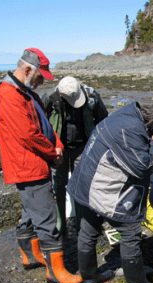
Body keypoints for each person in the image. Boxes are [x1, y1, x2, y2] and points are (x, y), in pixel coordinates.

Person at [0, 48, 82, 283]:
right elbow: (28, 135)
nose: (42, 81)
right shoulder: (8, 95)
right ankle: (56, 271)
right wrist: (53, 152)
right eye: (41, 76)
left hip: (36, 162)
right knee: (47, 217)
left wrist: (58, 144)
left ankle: (30, 255)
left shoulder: (27, 93)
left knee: (33, 210)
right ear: (28, 69)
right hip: (27, 165)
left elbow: (45, 127)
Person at [67, 102, 153, 283]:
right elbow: (141, 166)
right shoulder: (131, 130)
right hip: (99, 187)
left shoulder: (128, 113)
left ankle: (89, 276)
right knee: (130, 231)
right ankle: (137, 281)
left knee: (87, 231)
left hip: (83, 181)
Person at [42, 76, 108, 231]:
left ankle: (83, 224)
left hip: (83, 147)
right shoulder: (50, 99)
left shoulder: (92, 97)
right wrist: (49, 148)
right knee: (59, 185)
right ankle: (61, 224)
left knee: (82, 186)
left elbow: (103, 120)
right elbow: (42, 124)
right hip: (59, 149)